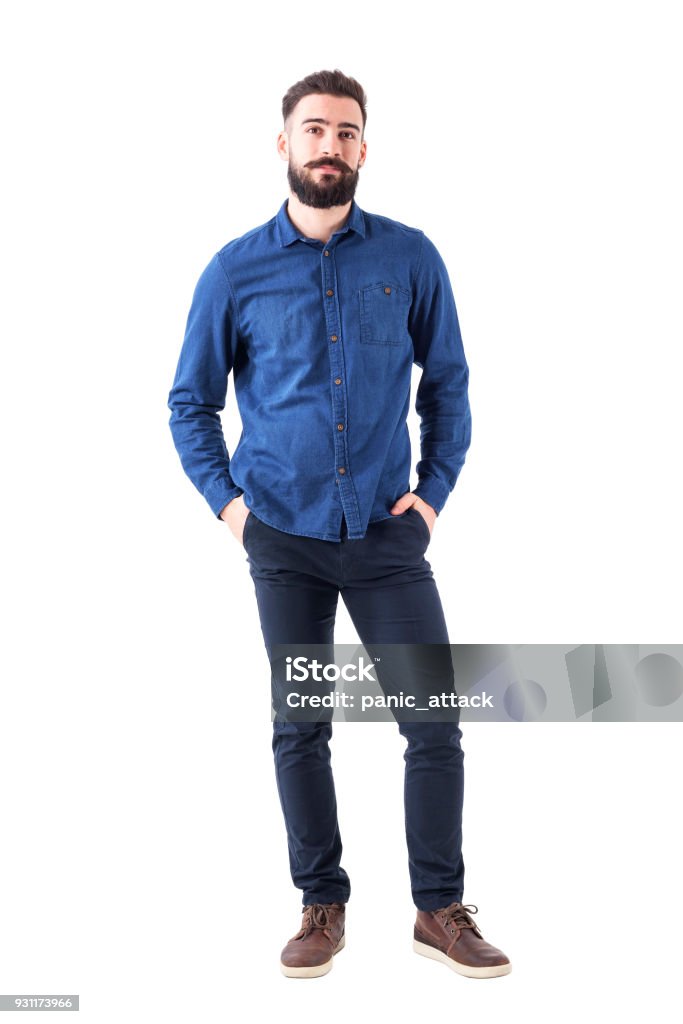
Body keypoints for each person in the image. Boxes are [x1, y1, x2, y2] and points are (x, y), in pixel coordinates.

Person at [167, 68, 510, 980]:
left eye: (347, 131)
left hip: (389, 540)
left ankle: (438, 908)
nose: (331, 144)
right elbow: (188, 404)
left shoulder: (409, 258)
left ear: (364, 148)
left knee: (432, 724)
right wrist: (234, 511)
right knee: (301, 724)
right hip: (281, 536)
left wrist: (431, 497)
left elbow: (449, 388)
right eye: (313, 129)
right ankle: (322, 904)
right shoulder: (234, 269)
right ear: (283, 144)